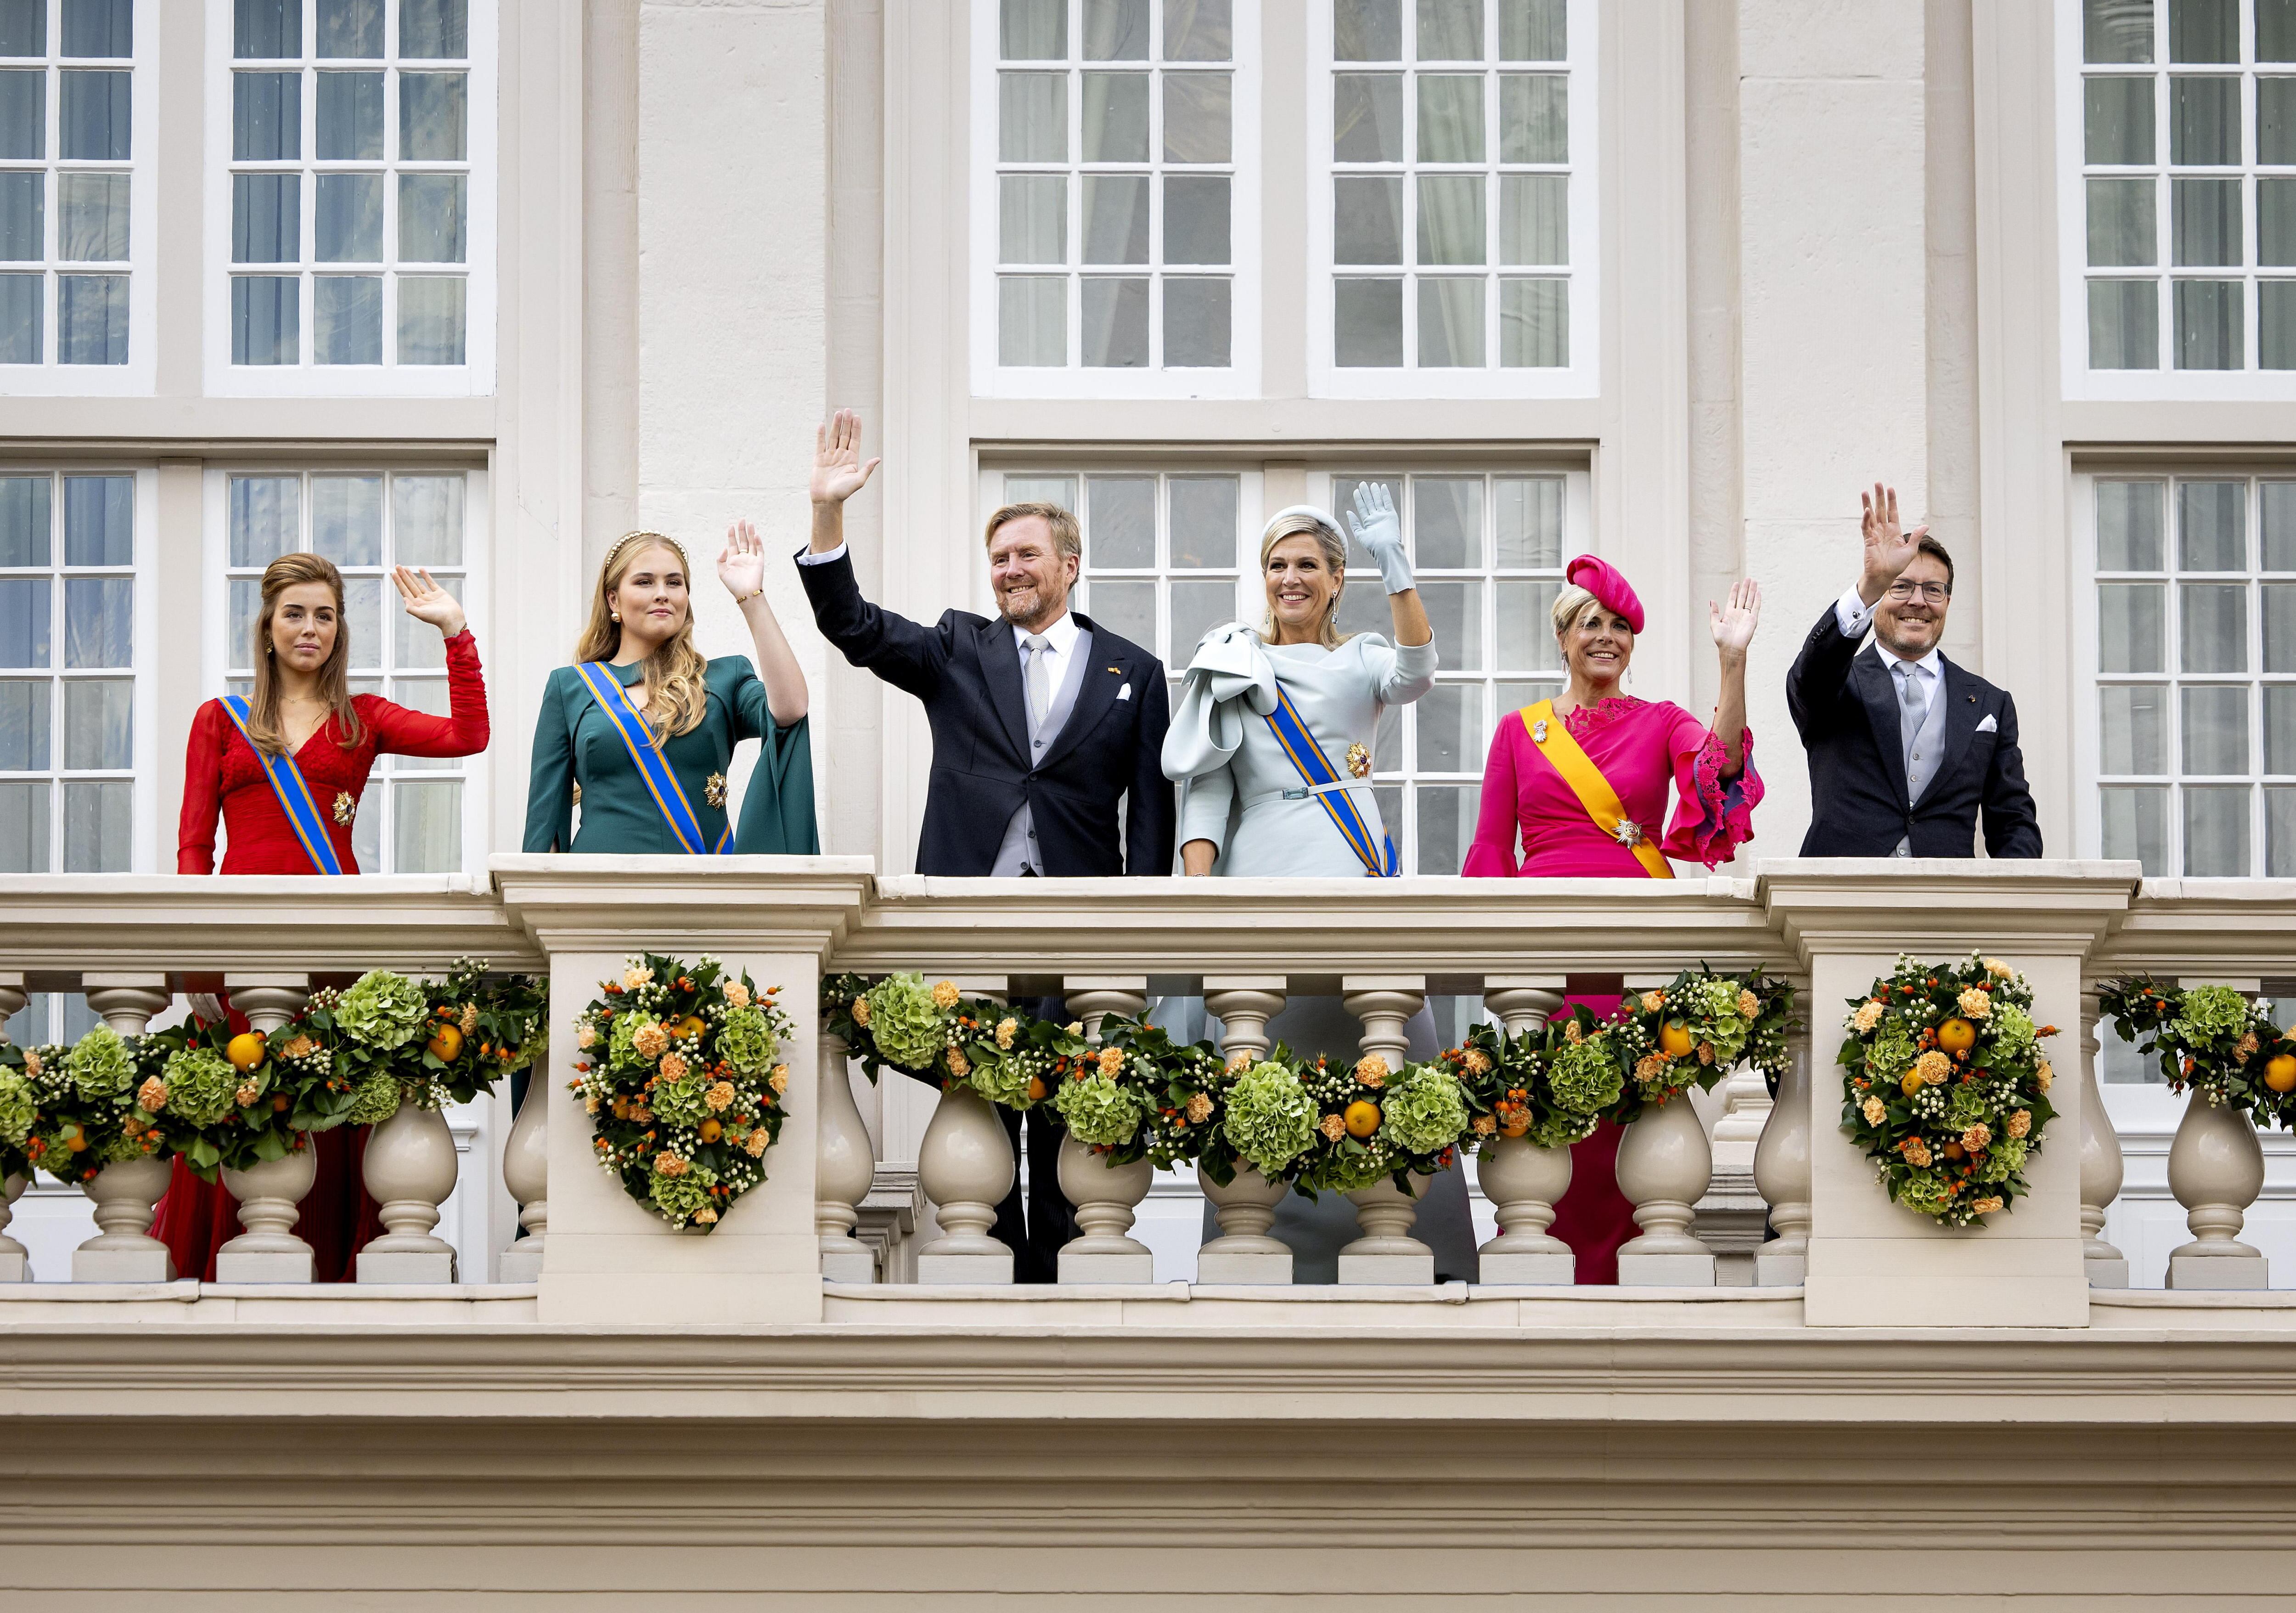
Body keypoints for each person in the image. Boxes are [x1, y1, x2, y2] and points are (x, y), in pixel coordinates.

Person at [796, 409, 1175, 1280]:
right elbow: (853, 625)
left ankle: (1065, 1285)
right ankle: (992, 1279)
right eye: (999, 557)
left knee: (1070, 1113)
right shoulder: (957, 647)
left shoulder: (1135, 671)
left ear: (1069, 567)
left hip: (1078, 925)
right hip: (970, 919)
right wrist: (828, 516)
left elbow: (1149, 814)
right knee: (982, 1097)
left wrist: (1143, 930)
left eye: (1026, 555)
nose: (1008, 569)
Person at [1163, 487, 1468, 1280]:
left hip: (1354, 872)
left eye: (1306, 564)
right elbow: (1206, 789)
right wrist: (1199, 901)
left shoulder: (1364, 652)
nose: (1289, 577)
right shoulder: (1233, 655)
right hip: (1262, 876)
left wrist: (1395, 561)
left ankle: (1416, 1254)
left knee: (1391, 1064)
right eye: (1276, 565)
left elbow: (1419, 670)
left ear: (1336, 578)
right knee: (1261, 1070)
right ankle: (1266, 1255)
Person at [164, 551, 491, 1283]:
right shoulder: (218, 721)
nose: (309, 629)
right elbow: (193, 848)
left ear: (340, 630)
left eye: (325, 615)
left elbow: (470, 736)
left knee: (330, 1119)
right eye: (295, 613)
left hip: (334, 953)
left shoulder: (363, 719)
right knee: (247, 1117)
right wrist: (195, 962)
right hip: (245, 951)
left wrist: (455, 633)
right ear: (268, 624)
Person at [1462, 555, 1763, 1283]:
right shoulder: (1517, 731)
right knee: (1544, 1115)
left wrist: (1732, 664)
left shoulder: (1661, 722)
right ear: (1562, 638)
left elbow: (1717, 768)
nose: (1607, 637)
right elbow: (1491, 847)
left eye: (1621, 626)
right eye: (1591, 623)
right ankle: (1541, 1279)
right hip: (1544, 944)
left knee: (1632, 1113)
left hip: (1635, 935)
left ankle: (1626, 1281)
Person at [524, 522, 817, 856]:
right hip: (599, 889)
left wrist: (751, 599)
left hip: (702, 890)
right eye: (645, 582)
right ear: (613, 598)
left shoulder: (724, 678)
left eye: (674, 583)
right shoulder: (570, 688)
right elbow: (546, 823)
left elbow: (791, 709)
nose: (662, 592)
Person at [1788, 483, 2041, 858]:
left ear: (1948, 601)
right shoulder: (1836, 684)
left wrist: (2014, 906)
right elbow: (1810, 675)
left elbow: (2013, 822)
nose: (1918, 602)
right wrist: (1869, 587)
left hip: (1948, 908)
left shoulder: (1991, 702)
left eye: (1933, 590)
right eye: (1901, 586)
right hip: (1841, 901)